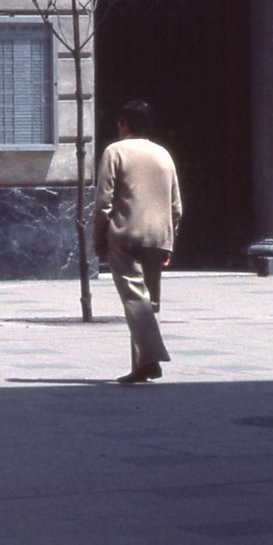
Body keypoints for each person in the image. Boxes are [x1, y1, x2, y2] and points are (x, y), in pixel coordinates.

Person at [93, 100, 181, 385]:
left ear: (124, 123)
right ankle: (142, 366)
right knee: (149, 301)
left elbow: (103, 201)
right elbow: (175, 204)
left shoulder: (115, 151)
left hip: (125, 234)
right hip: (158, 235)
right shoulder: (163, 154)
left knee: (134, 298)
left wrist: (98, 236)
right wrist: (170, 239)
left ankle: (152, 357)